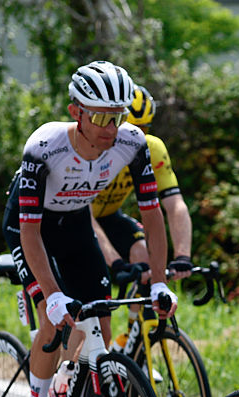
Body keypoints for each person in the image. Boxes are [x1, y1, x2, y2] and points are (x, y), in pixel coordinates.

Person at [1, 60, 176, 397]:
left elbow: (152, 215)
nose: (109, 128)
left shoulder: (133, 144)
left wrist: (160, 282)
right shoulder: (44, 147)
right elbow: (29, 233)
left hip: (77, 222)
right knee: (52, 315)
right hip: (31, 228)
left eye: (118, 116)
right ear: (75, 111)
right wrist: (51, 293)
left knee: (96, 321)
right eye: (99, 116)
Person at [89, 85, 194, 342]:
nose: (138, 137)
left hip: (110, 215)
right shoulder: (94, 148)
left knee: (143, 255)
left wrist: (183, 255)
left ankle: (133, 342)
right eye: (132, 128)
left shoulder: (151, 148)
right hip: (79, 218)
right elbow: (84, 216)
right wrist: (115, 262)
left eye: (145, 129)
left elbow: (174, 205)